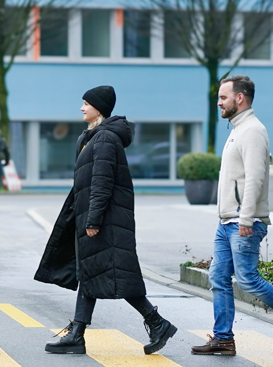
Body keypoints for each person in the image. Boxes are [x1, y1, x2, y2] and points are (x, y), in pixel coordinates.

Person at [34, 85, 177, 355]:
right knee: (91, 272)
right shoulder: (90, 137)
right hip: (93, 217)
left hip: (106, 221)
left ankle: (157, 323)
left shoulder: (105, 139)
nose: (81, 108)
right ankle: (78, 334)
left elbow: (102, 182)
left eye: (86, 104)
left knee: (115, 274)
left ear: (98, 108)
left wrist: (93, 220)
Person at [192, 75, 273, 357]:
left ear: (239, 98)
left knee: (247, 279)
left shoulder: (252, 131)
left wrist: (246, 217)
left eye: (223, 97)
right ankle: (223, 338)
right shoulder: (238, 129)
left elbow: (255, 179)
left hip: (243, 222)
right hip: (227, 222)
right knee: (218, 277)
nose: (218, 102)